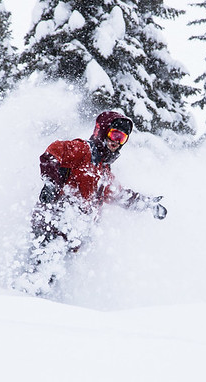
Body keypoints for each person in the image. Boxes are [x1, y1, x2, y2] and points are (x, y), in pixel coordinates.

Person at [18, 110, 166, 295]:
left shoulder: (104, 170)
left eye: (122, 138)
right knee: (40, 275)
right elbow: (52, 153)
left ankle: (41, 307)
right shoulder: (83, 149)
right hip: (53, 224)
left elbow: (120, 196)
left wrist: (146, 203)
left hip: (73, 237)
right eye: (114, 134)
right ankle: (22, 299)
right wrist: (51, 184)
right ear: (102, 132)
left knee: (51, 281)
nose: (116, 141)